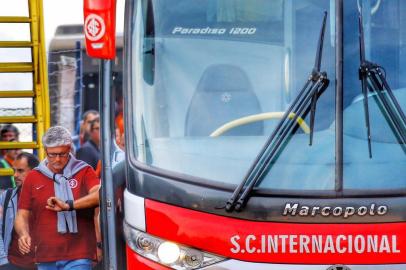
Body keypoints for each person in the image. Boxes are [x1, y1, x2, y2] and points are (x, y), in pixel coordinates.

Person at [14, 126, 100, 270]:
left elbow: (99, 195)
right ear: (45, 151)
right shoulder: (33, 177)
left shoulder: (84, 170)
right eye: (52, 155)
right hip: (45, 256)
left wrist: (69, 205)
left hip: (79, 254)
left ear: (70, 149)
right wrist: (23, 234)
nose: (57, 160)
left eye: (62, 154)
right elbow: (22, 214)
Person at [0, 152, 39, 270]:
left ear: (34, 172)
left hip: (43, 264)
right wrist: (3, 261)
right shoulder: (6, 197)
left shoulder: (49, 196)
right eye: (14, 171)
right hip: (12, 263)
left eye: (20, 171)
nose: (15, 175)